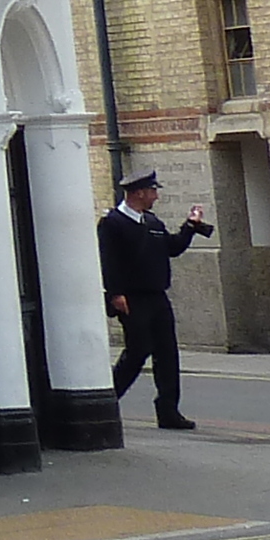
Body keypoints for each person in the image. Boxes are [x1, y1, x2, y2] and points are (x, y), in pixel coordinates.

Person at [97, 167, 212, 429]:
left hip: (157, 297)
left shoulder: (152, 222)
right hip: (131, 298)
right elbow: (108, 261)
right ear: (138, 193)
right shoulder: (112, 223)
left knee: (167, 353)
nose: (155, 197)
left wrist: (190, 226)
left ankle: (168, 410)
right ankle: (107, 401)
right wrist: (115, 293)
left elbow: (172, 248)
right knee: (137, 351)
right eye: (152, 191)